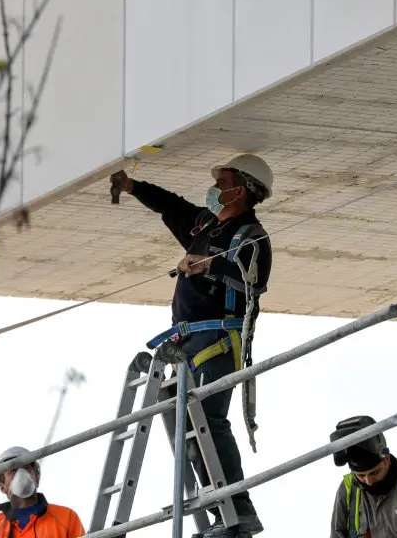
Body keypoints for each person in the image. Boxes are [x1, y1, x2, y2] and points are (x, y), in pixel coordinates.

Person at [109, 154, 274, 538]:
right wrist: (133, 187)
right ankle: (221, 510)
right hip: (187, 340)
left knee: (210, 423)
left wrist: (208, 265)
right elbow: (171, 205)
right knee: (190, 428)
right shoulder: (205, 225)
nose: (215, 188)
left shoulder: (251, 236)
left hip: (219, 337)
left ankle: (239, 512)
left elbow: (253, 282)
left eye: (223, 181)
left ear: (243, 189)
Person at [0, 446, 86, 538]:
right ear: (2, 485)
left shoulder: (66, 518)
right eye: (13, 470)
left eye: (26, 467)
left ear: (37, 476)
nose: (21, 473)